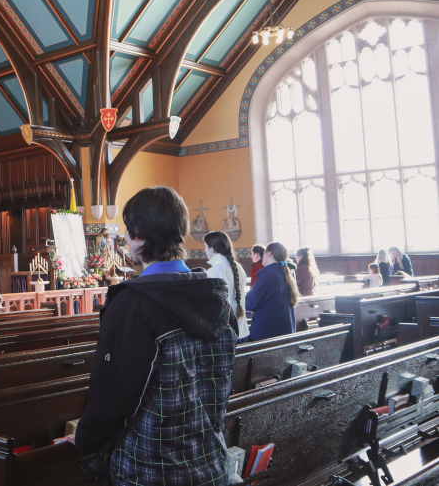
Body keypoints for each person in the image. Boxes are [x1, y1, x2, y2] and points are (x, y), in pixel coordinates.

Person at [69, 186, 237, 485]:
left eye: (129, 232)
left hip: (149, 469)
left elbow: (112, 397)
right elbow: (218, 387)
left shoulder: (133, 304)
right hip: (210, 463)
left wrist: (83, 440)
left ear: (138, 237)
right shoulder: (214, 296)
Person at [246, 242, 299, 341]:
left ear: (269, 253)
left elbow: (248, 303)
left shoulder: (268, 276)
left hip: (267, 334)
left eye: (264, 253)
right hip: (283, 331)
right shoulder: (284, 272)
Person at [205, 230, 249, 342]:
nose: (205, 251)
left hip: (225, 334)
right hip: (242, 330)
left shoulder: (214, 271)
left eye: (205, 247)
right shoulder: (238, 267)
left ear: (212, 249)